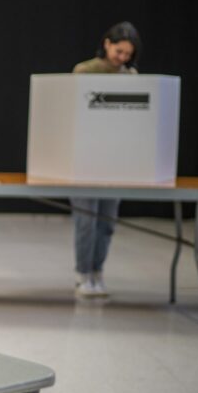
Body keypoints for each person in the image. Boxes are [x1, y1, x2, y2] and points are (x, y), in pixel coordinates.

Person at [71, 21, 141, 298]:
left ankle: (97, 271)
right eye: (119, 51)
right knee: (86, 220)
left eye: (127, 54)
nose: (122, 58)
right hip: (85, 158)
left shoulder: (132, 77)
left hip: (116, 161)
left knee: (107, 221)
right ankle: (82, 274)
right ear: (107, 44)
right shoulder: (84, 71)